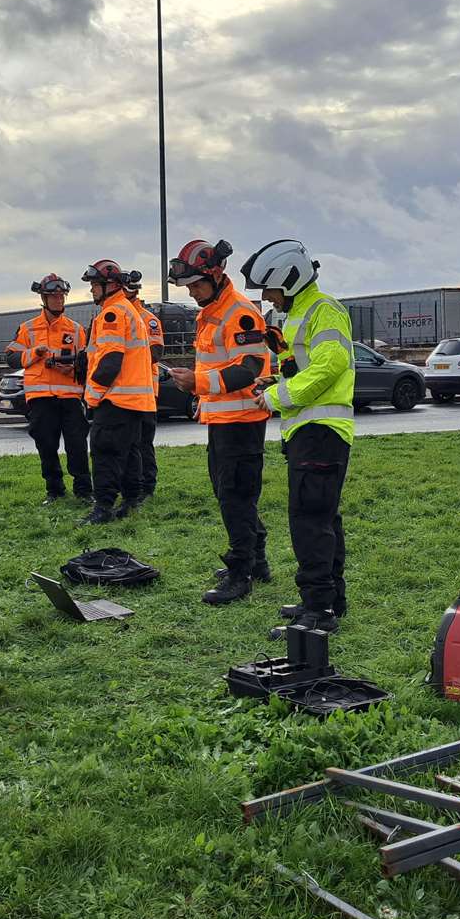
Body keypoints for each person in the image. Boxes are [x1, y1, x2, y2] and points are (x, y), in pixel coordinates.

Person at [240, 238, 355, 635]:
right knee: (322, 519)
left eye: (269, 289)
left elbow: (329, 367)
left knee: (309, 521)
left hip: (320, 432)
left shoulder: (323, 310)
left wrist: (274, 396)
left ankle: (318, 610)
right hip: (311, 431)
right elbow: (307, 368)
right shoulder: (301, 314)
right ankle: (329, 601)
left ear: (288, 279)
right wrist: (278, 378)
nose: (267, 297)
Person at [165, 239, 272, 605]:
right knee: (232, 495)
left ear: (216, 274)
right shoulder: (212, 311)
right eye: (189, 286)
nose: (192, 292)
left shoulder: (239, 313)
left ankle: (241, 574)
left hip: (242, 420)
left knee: (235, 497)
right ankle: (256, 562)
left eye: (197, 285)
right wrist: (199, 392)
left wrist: (198, 383)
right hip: (226, 420)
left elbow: (249, 369)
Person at [76, 259, 155, 524]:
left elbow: (110, 363)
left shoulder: (112, 313)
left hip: (115, 397)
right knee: (131, 451)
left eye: (95, 285)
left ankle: (103, 508)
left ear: (110, 285)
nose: (91, 291)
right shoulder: (127, 309)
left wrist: (92, 396)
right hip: (134, 400)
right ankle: (131, 501)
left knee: (104, 452)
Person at [6, 273, 91, 503]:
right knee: (46, 445)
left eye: (62, 296)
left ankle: (84, 491)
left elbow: (86, 363)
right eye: (54, 297)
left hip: (70, 397)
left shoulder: (76, 329)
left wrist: (71, 369)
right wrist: (35, 353)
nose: (59, 301)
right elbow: (11, 358)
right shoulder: (27, 328)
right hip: (40, 397)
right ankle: (54, 491)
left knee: (77, 445)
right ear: (44, 298)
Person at [122, 272, 164, 505]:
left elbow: (156, 354)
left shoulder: (148, 320)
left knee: (143, 442)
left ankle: (147, 486)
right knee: (126, 443)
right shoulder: (113, 316)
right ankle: (130, 484)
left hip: (146, 391)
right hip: (122, 393)